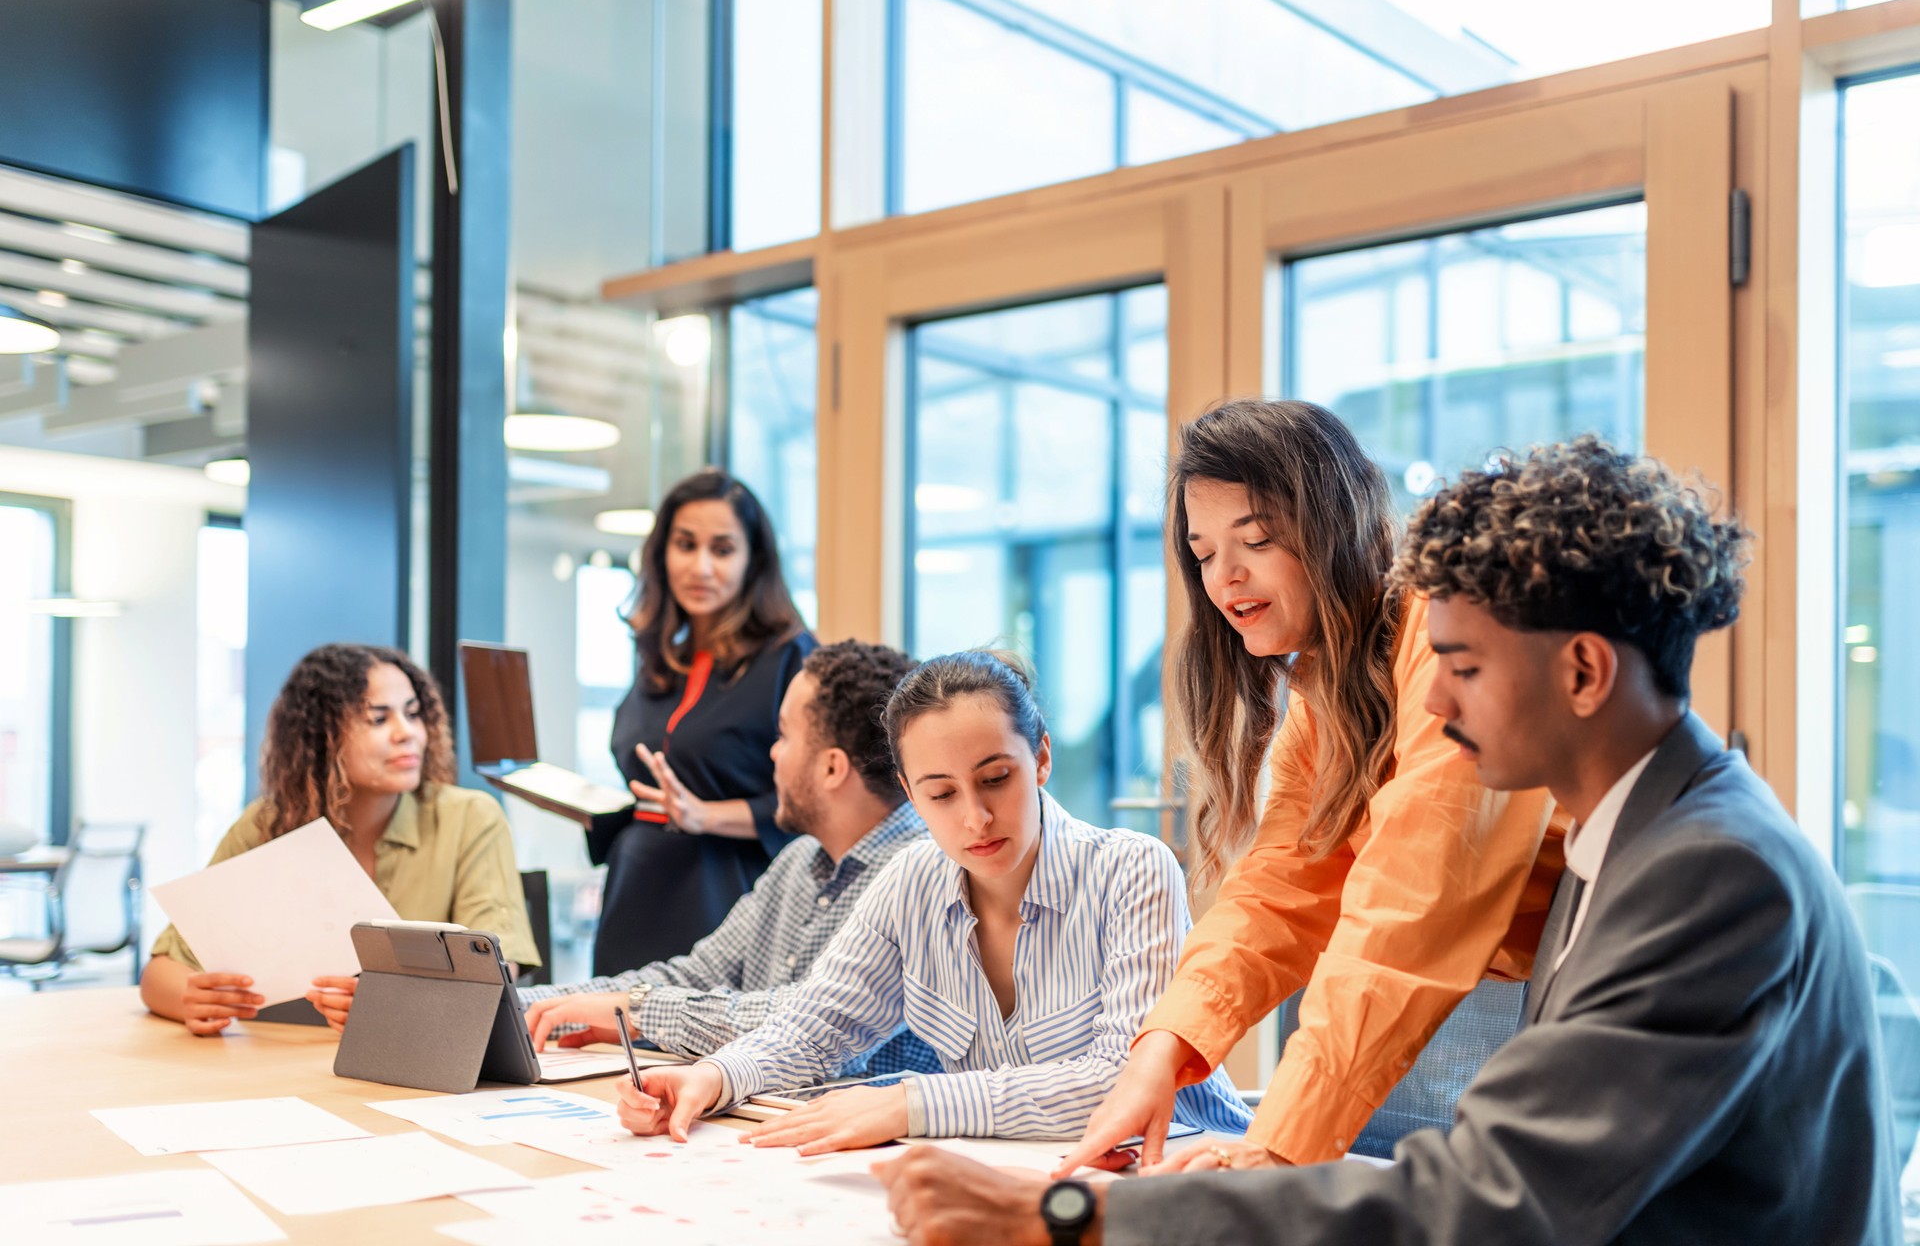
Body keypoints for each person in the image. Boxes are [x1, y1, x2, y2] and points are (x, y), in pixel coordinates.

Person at [876, 438, 1899, 1246]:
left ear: (1584, 672)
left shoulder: (1707, 873)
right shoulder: (1634, 837)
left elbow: (1492, 1197)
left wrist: (1076, 1217)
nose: (1437, 705)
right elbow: (1289, 879)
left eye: (1460, 666)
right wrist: (1175, 1050)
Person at [1059, 400, 1568, 1175]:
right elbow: (1281, 886)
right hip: (1492, 1031)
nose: (1225, 578)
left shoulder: (1443, 638)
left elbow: (1413, 897)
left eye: (1256, 541)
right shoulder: (1325, 687)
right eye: (1201, 553)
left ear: (1339, 525)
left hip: (1578, 1015)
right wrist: (1164, 1048)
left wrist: (1276, 1148)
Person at [612, 651, 1252, 1154]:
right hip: (1015, 1181)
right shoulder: (912, 880)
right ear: (910, 796)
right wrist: (715, 1078)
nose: (975, 818)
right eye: (941, 794)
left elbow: (1121, 1079)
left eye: (996, 778)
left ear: (1042, 758)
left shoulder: (1133, 869)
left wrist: (910, 1104)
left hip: (1185, 1182)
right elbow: (814, 1027)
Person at [520, 640, 937, 1074]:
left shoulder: (921, 876)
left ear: (831, 768)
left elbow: (809, 1021)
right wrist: (533, 1004)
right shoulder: (799, 861)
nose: (772, 754)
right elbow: (696, 975)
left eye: (783, 736)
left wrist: (638, 1010)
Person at [140, 643, 539, 1036]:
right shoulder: (266, 825)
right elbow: (160, 973)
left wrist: (394, 1004)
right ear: (322, 736)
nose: (408, 733)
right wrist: (191, 998)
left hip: (411, 1067)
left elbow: (497, 971)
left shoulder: (470, 818)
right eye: (378, 719)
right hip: (275, 1067)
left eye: (413, 714)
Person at [587, 468, 815, 975]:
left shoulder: (790, 658)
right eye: (685, 545)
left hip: (727, 899)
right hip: (635, 892)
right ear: (661, 553)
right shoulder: (662, 659)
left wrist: (705, 815)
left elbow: (821, 798)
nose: (701, 567)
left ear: (754, 560)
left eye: (723, 549)